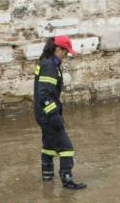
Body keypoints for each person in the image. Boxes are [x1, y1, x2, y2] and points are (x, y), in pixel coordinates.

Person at [33, 36, 86, 190]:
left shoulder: (47, 62)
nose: (66, 55)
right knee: (66, 147)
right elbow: (44, 95)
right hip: (47, 114)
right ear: (57, 49)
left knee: (49, 145)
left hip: (41, 113)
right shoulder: (50, 65)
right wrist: (54, 115)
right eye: (65, 52)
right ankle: (67, 180)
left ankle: (47, 177)